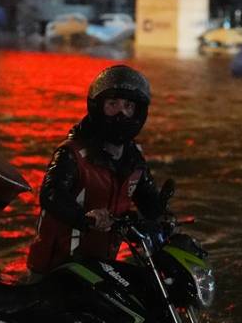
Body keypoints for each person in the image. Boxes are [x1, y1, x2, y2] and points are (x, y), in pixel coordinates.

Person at [26, 65, 167, 275]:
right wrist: (85, 217)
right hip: (56, 269)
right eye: (113, 104)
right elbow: (51, 195)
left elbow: (148, 201)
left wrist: (162, 217)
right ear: (97, 107)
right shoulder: (72, 153)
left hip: (98, 269)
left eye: (128, 106)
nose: (121, 113)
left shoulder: (133, 160)